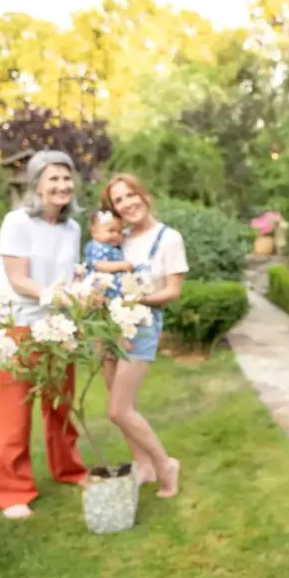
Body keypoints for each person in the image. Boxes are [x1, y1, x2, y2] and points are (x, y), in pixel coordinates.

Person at [0, 150, 88, 519]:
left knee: (61, 406)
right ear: (37, 185)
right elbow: (18, 279)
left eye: (67, 178)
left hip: (58, 327)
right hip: (18, 327)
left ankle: (69, 469)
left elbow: (71, 274)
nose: (62, 186)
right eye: (54, 179)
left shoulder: (72, 227)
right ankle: (12, 492)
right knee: (15, 412)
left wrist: (80, 296)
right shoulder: (17, 222)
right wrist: (58, 296)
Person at [99, 173, 185, 498]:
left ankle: (165, 465)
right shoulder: (118, 241)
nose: (127, 203)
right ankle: (144, 466)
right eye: (118, 201)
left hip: (142, 326)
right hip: (109, 326)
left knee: (118, 410)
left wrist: (137, 300)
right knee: (125, 405)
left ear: (144, 195)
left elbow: (173, 291)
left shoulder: (168, 239)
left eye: (130, 195)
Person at [82, 209, 133, 298]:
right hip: (100, 287)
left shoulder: (114, 247)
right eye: (111, 231)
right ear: (94, 232)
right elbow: (99, 265)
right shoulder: (96, 247)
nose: (116, 235)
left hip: (114, 289)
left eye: (119, 231)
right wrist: (121, 265)